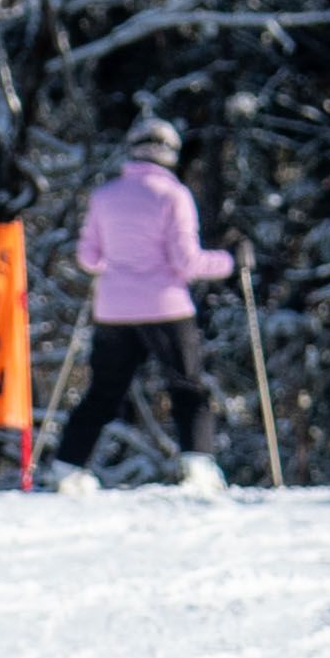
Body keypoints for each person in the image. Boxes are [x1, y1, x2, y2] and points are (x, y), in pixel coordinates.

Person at [53, 119, 234, 493]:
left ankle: (66, 468)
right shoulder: (173, 196)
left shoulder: (104, 197)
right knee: (187, 388)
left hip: (114, 310)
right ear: (171, 153)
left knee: (103, 392)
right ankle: (197, 467)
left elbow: (88, 258)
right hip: (166, 307)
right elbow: (186, 262)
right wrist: (230, 262)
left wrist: (121, 268)